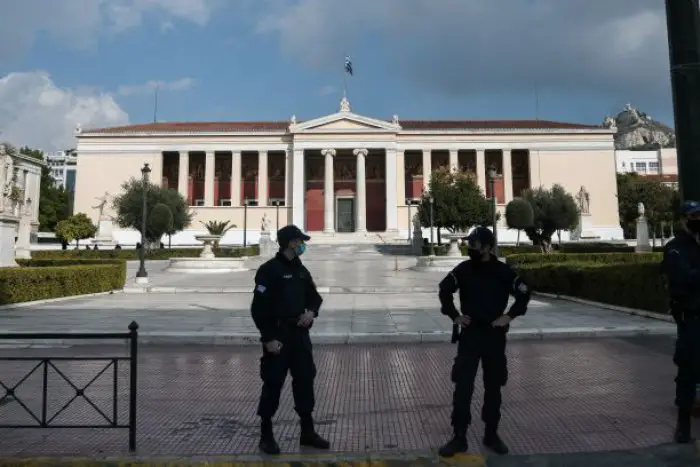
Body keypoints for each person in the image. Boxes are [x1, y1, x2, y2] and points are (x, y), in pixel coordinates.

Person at [437, 227, 531, 457]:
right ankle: (459, 436)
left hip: (494, 335)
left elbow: (524, 293)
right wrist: (454, 315)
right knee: (463, 386)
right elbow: (444, 289)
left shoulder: (502, 271)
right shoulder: (465, 269)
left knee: (494, 386)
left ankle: (491, 433)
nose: (471, 248)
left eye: (476, 244)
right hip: (470, 334)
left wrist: (509, 316)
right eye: (470, 244)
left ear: (488, 247)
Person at [250, 224, 330, 454]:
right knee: (273, 383)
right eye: (299, 241)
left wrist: (311, 313)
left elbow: (315, 297)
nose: (302, 244)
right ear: (290, 243)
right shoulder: (269, 270)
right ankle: (266, 435)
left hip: (300, 337)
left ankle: (307, 431)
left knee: (305, 380)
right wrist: (268, 338)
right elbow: (258, 308)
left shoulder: (301, 270)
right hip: (278, 336)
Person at [661, 200, 700, 443]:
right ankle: (683, 424)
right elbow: (683, 279)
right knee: (688, 372)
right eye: (694, 215)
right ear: (684, 219)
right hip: (692, 320)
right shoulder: (676, 248)